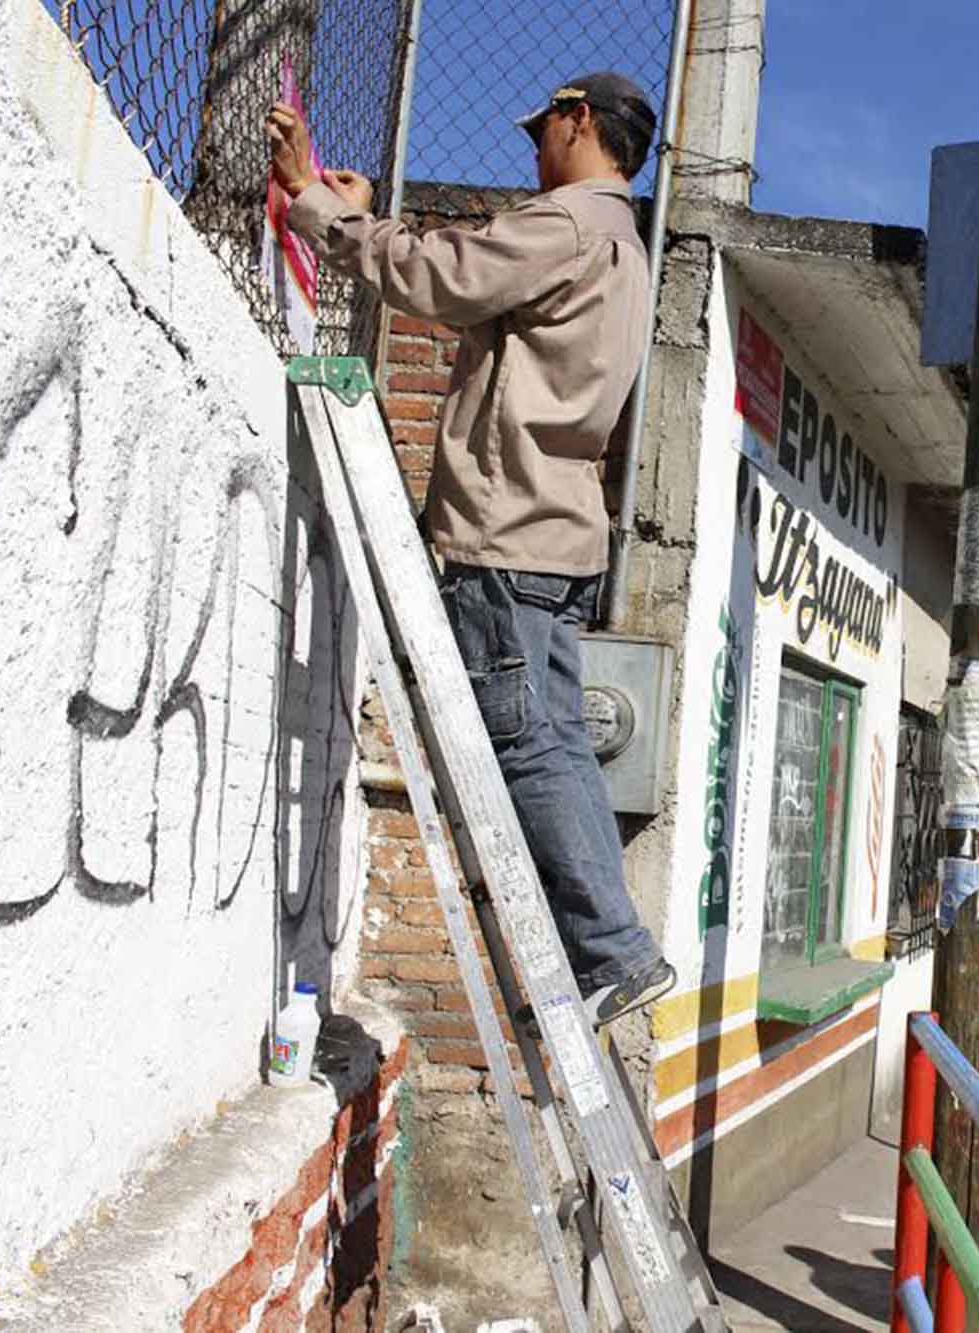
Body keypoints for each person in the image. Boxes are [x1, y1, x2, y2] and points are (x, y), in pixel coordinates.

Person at [265, 74, 676, 1026]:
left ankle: (610, 946)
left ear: (581, 122)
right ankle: (603, 946)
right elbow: (469, 270)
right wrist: (375, 220)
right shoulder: (617, 242)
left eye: (545, 130)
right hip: (554, 530)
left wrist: (321, 206)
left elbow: (447, 277)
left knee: (529, 745)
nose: (534, 150)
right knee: (555, 742)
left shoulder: (569, 225)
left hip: (513, 531)